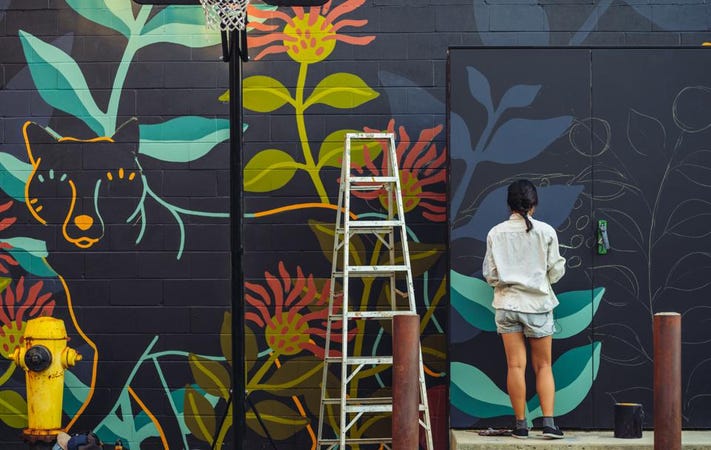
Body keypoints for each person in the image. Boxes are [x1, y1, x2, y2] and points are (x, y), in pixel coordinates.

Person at [482, 179, 566, 439]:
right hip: (538, 305)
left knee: (515, 366)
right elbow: (555, 271)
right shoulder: (546, 232)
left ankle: (520, 425)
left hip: (507, 305)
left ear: (509, 204)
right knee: (543, 366)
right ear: (534, 204)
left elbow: (490, 274)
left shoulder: (496, 233)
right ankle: (549, 424)